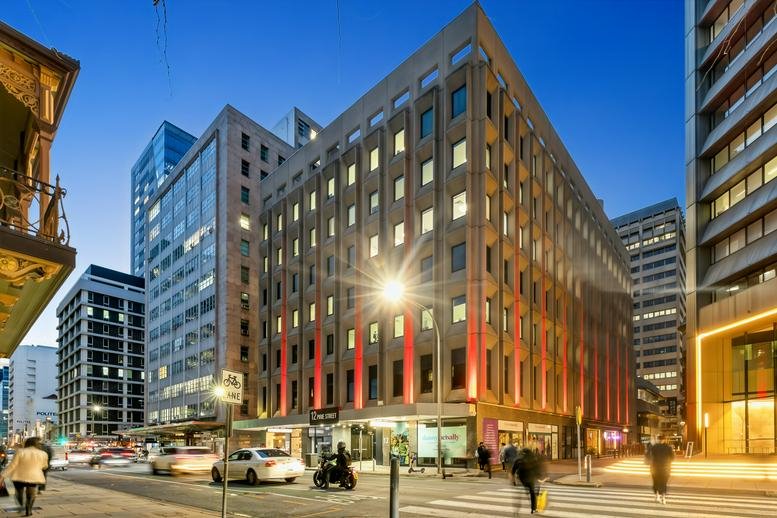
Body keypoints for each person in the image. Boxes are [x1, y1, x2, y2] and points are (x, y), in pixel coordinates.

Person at [1, 437, 49, 516]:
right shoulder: (43, 454)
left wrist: (2, 476)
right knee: (31, 494)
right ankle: (28, 510)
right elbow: (45, 466)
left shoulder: (20, 451)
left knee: (19, 493)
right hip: (34, 477)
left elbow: (12, 466)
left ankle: (20, 506)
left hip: (18, 477)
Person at [513, 447, 545, 514]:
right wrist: (540, 479)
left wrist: (514, 481)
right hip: (530, 478)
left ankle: (528, 494)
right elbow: (537, 470)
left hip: (522, 479)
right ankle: (533, 508)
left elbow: (513, 471)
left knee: (528, 490)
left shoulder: (518, 460)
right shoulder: (533, 459)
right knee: (532, 492)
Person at [647, 435, 674, 504]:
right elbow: (672, 458)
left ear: (658, 440)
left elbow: (650, 455)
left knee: (656, 482)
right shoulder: (668, 447)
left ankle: (657, 495)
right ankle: (663, 498)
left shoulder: (654, 447)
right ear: (665, 440)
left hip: (655, 468)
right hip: (665, 468)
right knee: (664, 483)